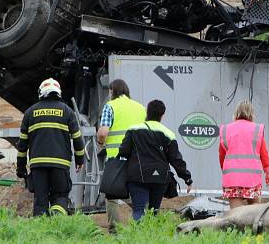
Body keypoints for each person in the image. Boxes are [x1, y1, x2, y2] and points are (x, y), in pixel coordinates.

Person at [16, 78, 85, 217]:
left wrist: (21, 167)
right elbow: (78, 139)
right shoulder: (68, 112)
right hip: (60, 164)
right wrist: (80, 160)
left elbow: (22, 145)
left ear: (41, 92)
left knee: (40, 200)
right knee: (60, 196)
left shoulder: (30, 112)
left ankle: (41, 232)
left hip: (38, 165)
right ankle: (57, 221)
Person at [118, 100, 193, 220]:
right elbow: (176, 160)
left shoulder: (133, 129)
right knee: (153, 212)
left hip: (137, 177)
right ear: (162, 115)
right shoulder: (168, 134)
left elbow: (123, 152)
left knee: (139, 210)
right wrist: (187, 179)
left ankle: (136, 237)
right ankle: (151, 236)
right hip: (160, 178)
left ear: (147, 112)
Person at [96, 79, 145, 229]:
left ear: (113, 91)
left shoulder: (110, 106)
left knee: (111, 194)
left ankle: (114, 228)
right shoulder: (140, 108)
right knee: (134, 191)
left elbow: (103, 132)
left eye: (110, 91)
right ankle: (143, 222)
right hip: (137, 158)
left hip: (115, 158)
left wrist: (100, 142)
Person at [219, 100, 269, 208]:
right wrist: (267, 172)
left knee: (235, 213)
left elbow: (222, 155)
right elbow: (264, 154)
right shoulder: (257, 129)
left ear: (236, 113)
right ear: (252, 113)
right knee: (254, 209)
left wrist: (225, 171)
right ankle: (252, 224)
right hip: (252, 177)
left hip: (232, 178)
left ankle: (237, 225)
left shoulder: (225, 129)